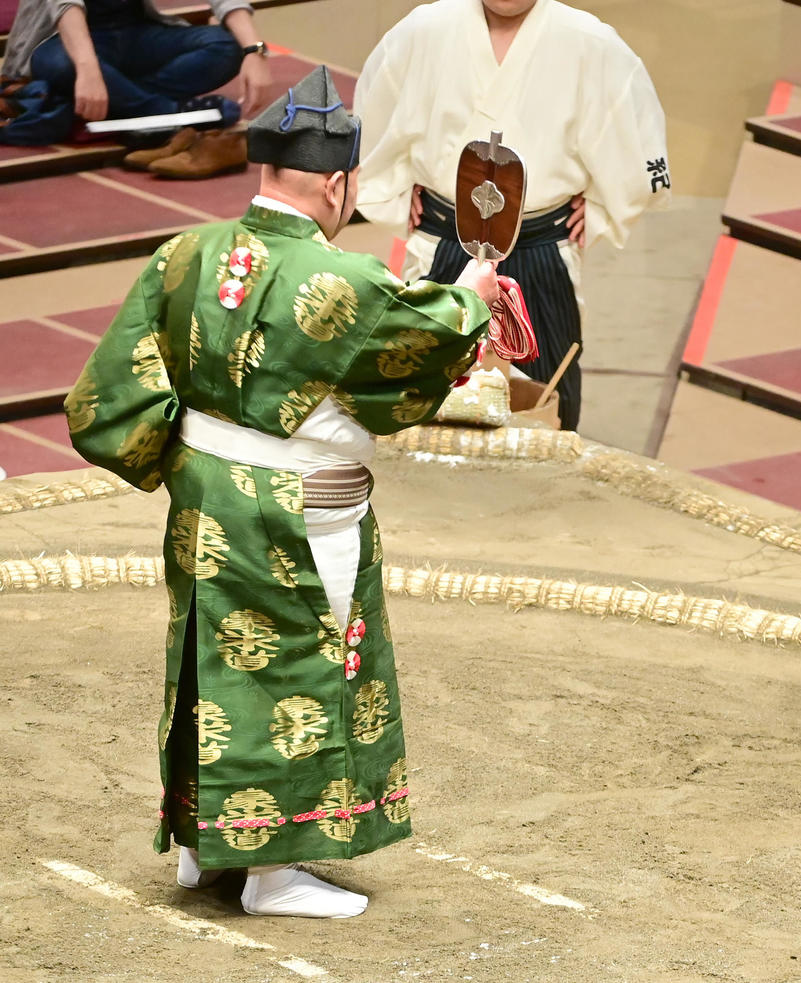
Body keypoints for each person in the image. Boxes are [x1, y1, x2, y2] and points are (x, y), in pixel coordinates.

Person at [63, 65, 498, 918]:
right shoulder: (342, 281)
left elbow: (108, 393)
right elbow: (418, 348)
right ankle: (274, 870)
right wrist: (473, 299)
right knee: (299, 665)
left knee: (206, 663)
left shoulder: (182, 253)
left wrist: (188, 461)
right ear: (337, 182)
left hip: (202, 502)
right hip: (303, 510)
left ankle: (200, 843)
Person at [352, 0, 671, 431]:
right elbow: (373, 114)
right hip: (445, 233)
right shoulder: (425, 28)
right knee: (422, 390)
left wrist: (598, 203)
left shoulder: (590, 41)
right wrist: (390, 183)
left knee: (546, 395)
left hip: (542, 242)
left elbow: (636, 134)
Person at [1, 0, 269, 148]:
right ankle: (169, 112)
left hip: (135, 36)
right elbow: (65, 5)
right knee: (59, 63)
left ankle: (122, 103)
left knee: (224, 46)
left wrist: (253, 51)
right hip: (65, 41)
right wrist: (88, 70)